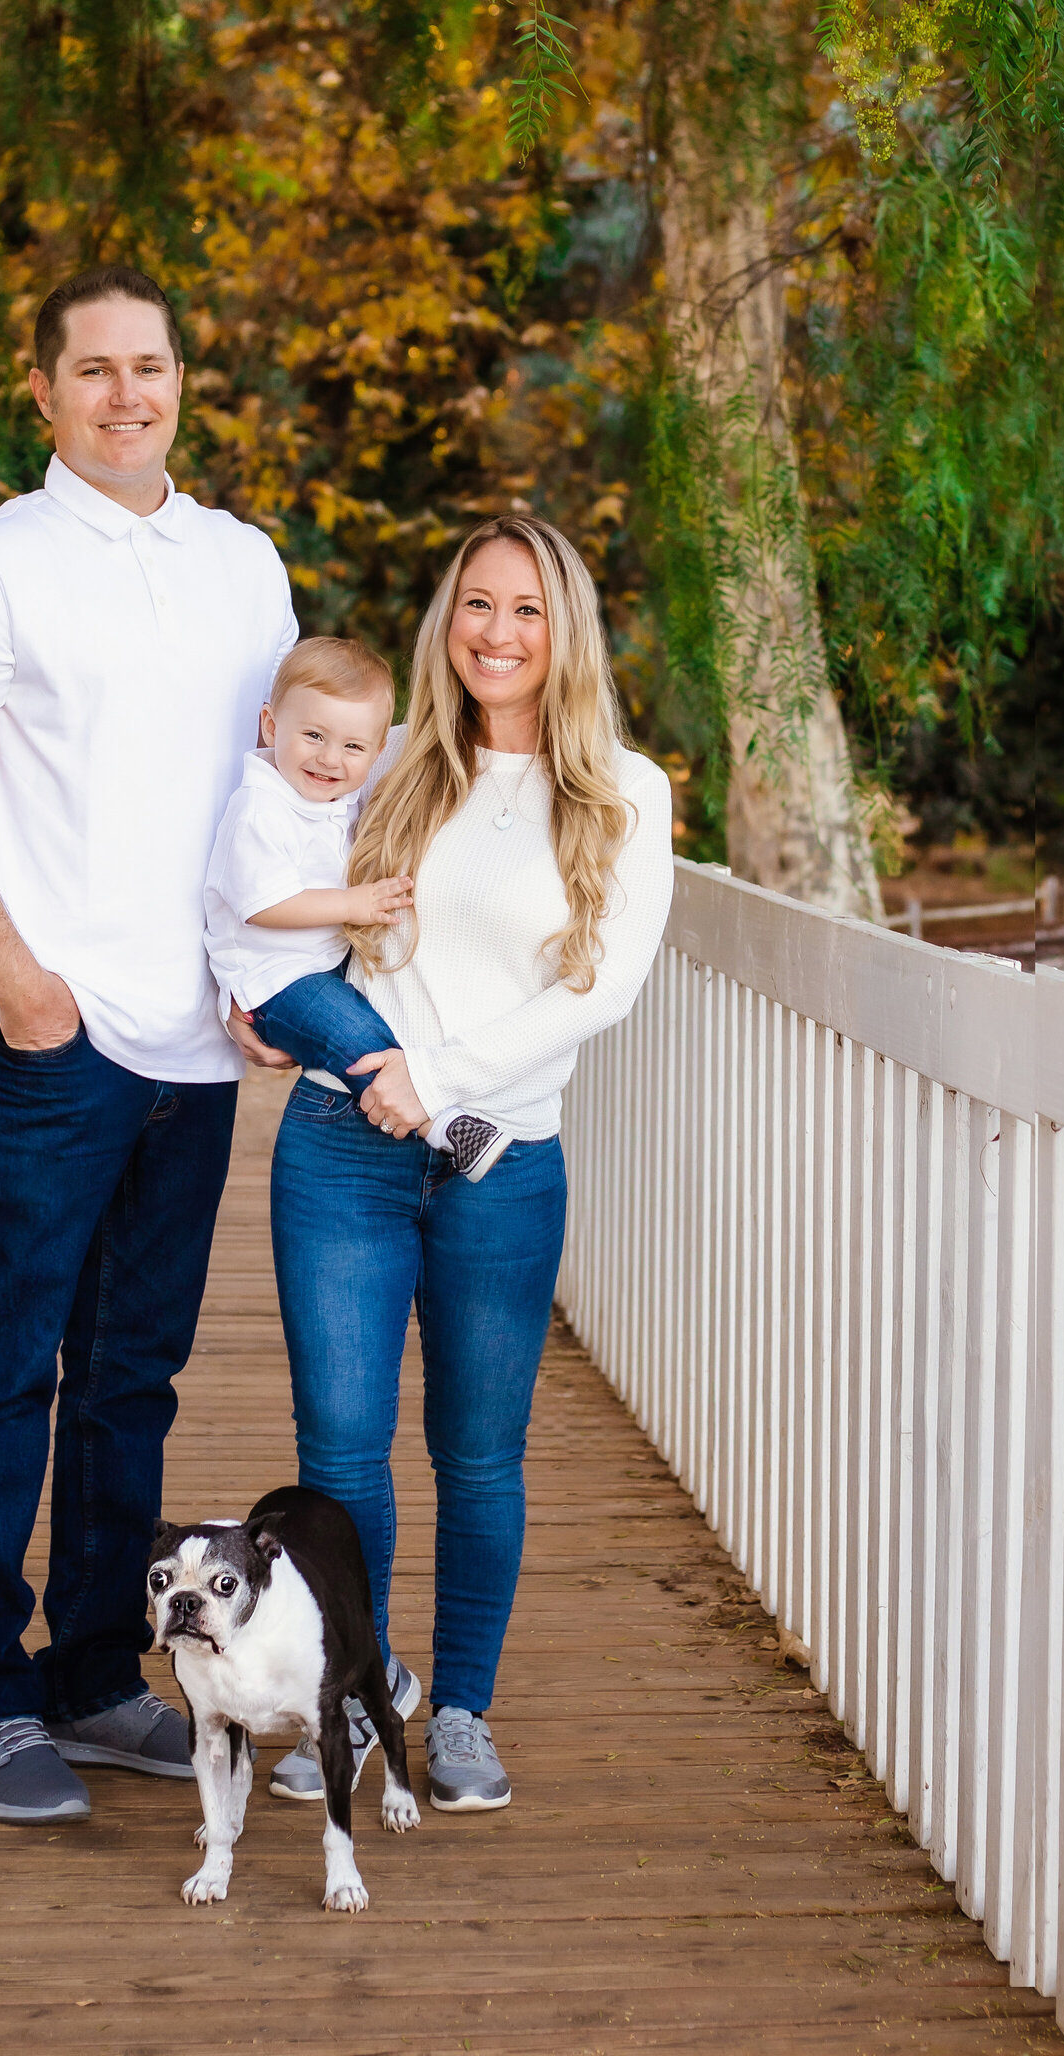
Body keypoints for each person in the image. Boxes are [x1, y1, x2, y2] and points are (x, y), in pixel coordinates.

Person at [0, 264, 296, 1827]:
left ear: (185, 383)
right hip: (42, 1045)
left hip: (194, 1047)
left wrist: (270, 978)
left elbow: (274, 801)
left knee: (133, 1381)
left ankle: (99, 1674)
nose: (130, 393)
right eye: (96, 369)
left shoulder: (244, 567)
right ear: (42, 393)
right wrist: (19, 983)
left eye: (155, 367)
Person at [264, 515, 674, 1812]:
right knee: (339, 1450)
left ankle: (465, 1713)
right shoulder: (381, 764)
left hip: (503, 1163)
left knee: (478, 1456)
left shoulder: (625, 788)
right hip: (341, 1150)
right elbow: (267, 890)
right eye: (476, 606)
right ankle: (367, 1684)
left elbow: (600, 989)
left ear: (567, 634)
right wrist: (257, 996)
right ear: (448, 621)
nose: (497, 633)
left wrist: (434, 1080)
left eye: (527, 612)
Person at [204, 635, 515, 1186]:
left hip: (318, 968)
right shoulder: (261, 809)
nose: (329, 758)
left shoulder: (332, 801)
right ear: (271, 726)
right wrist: (356, 903)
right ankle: (444, 1126)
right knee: (355, 1036)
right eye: (314, 735)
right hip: (276, 982)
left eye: (353, 747)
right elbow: (263, 905)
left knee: (371, 1024)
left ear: (376, 756)